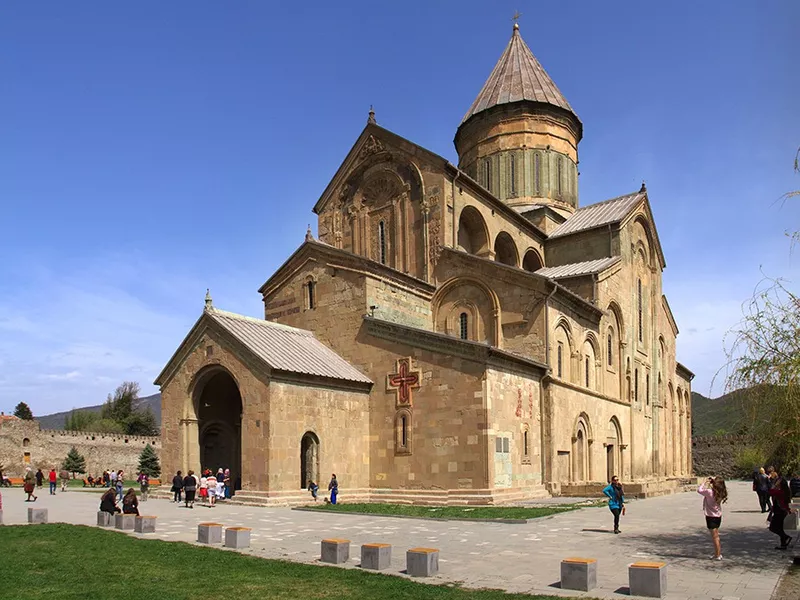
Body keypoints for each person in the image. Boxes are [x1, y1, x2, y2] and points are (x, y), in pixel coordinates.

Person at [698, 476, 727, 560]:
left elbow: (699, 490)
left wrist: (705, 482)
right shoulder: (721, 493)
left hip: (710, 517)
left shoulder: (709, 492)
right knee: (716, 536)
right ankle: (717, 554)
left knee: (715, 537)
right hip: (718, 516)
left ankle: (717, 555)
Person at [768, 471, 794, 550]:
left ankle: (786, 537)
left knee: (773, 527)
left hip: (780, 511)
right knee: (780, 527)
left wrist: (774, 485)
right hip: (782, 511)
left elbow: (770, 491)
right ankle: (783, 544)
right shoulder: (785, 491)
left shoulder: (780, 492)